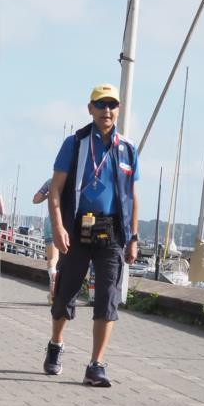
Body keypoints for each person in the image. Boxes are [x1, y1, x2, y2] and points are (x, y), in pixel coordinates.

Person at [44, 84, 139, 388]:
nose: (106, 111)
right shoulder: (75, 144)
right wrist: (58, 227)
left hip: (111, 233)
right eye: (100, 105)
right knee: (65, 294)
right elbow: (55, 190)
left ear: (118, 110)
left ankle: (96, 365)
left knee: (107, 298)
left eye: (112, 105)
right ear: (90, 109)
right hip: (77, 229)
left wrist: (133, 237)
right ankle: (56, 343)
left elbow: (132, 196)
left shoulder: (127, 149)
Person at [32, 178, 59, 304]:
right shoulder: (75, 181)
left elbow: (35, 199)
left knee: (52, 259)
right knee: (65, 261)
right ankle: (58, 289)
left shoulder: (51, 182)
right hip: (66, 222)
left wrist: (48, 195)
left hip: (50, 222)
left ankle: (52, 289)